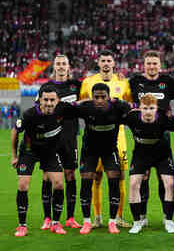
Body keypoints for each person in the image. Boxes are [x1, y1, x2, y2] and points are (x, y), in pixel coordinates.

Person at [57, 83, 131, 235]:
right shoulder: (86, 108)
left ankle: (112, 222)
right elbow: (63, 109)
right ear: (92, 97)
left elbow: (132, 110)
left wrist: (122, 102)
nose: (99, 100)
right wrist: (77, 103)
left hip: (110, 150)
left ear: (108, 97)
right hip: (89, 151)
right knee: (87, 181)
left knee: (114, 179)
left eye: (103, 97)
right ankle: (86, 222)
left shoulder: (117, 108)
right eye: (96, 97)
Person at [128, 50, 174, 227]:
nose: (152, 66)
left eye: (155, 63)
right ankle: (142, 217)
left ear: (160, 65)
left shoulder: (167, 82)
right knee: (141, 178)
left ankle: (167, 218)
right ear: (144, 65)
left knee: (164, 179)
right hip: (141, 136)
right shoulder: (135, 82)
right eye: (149, 63)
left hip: (163, 136)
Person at [80, 50, 133, 228]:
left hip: (118, 137)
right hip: (94, 137)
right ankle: (97, 217)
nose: (106, 63)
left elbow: (130, 106)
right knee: (96, 177)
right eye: (102, 60)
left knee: (120, 177)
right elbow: (83, 106)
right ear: (98, 62)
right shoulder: (88, 82)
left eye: (109, 60)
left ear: (114, 62)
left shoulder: (123, 83)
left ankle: (118, 216)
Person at [11, 85, 68, 237]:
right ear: (40, 100)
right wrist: (14, 155)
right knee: (23, 184)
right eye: (46, 100)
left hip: (49, 152)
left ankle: (55, 223)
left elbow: (82, 105)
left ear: (58, 101)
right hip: (29, 151)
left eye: (52, 100)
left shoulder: (62, 110)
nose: (49, 103)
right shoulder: (29, 114)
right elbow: (15, 131)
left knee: (59, 183)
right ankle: (22, 225)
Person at [125, 94, 174, 234]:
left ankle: (168, 221)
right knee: (133, 184)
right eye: (145, 108)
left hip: (161, 154)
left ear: (156, 108)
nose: (148, 111)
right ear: (140, 108)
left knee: (169, 184)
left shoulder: (163, 118)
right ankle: (137, 222)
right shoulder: (131, 118)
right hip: (141, 154)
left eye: (151, 108)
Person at [39, 55, 82, 230]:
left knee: (70, 175)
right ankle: (47, 218)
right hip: (50, 139)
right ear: (54, 66)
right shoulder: (46, 87)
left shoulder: (76, 86)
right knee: (47, 176)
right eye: (58, 64)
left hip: (70, 138)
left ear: (68, 66)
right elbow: (38, 109)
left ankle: (70, 217)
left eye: (64, 63)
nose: (61, 66)